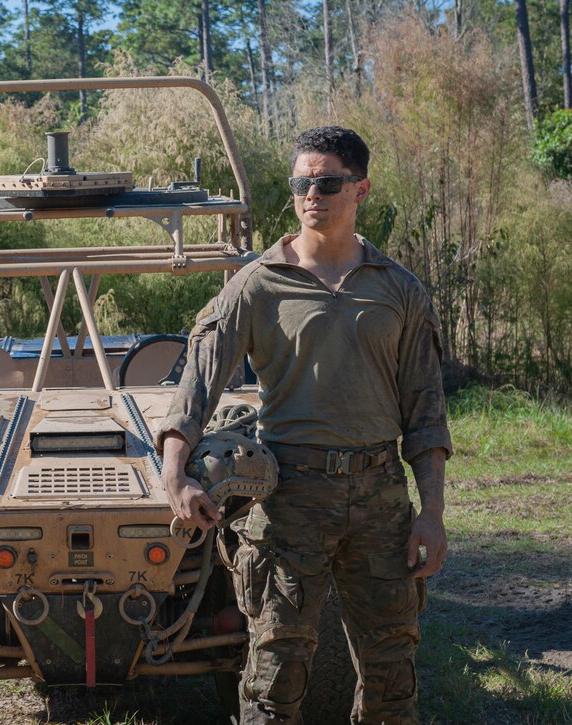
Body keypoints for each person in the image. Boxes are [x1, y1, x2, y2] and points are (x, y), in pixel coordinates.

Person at [156, 126, 451, 724]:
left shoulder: (398, 288)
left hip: (381, 495)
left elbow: (425, 409)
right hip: (290, 496)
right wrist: (174, 473)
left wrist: (433, 512)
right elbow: (197, 382)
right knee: (275, 671)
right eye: (301, 183)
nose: (311, 194)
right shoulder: (256, 285)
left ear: (360, 188)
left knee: (392, 671)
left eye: (327, 182)